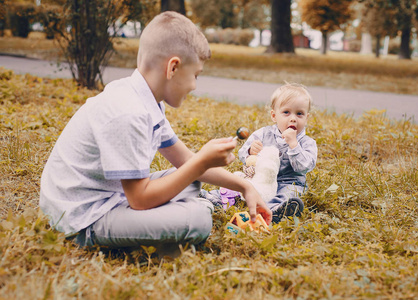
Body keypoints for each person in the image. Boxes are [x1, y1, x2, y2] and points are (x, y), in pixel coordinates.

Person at [39, 11, 271, 256]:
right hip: (84, 216)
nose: (194, 85)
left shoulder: (147, 100)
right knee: (198, 219)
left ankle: (178, 214)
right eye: (195, 75)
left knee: (192, 180)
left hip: (114, 194)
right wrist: (202, 161)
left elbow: (185, 161)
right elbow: (139, 199)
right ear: (173, 67)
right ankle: (175, 224)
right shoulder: (128, 113)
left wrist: (244, 186)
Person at [237, 83, 318, 224]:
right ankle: (215, 197)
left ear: (306, 118)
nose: (293, 118)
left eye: (299, 114)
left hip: (290, 182)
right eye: (286, 112)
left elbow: (304, 167)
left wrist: (294, 145)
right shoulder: (263, 134)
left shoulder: (307, 143)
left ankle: (274, 210)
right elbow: (243, 154)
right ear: (274, 116)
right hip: (262, 179)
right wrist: (250, 151)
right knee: (241, 185)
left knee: (289, 193)